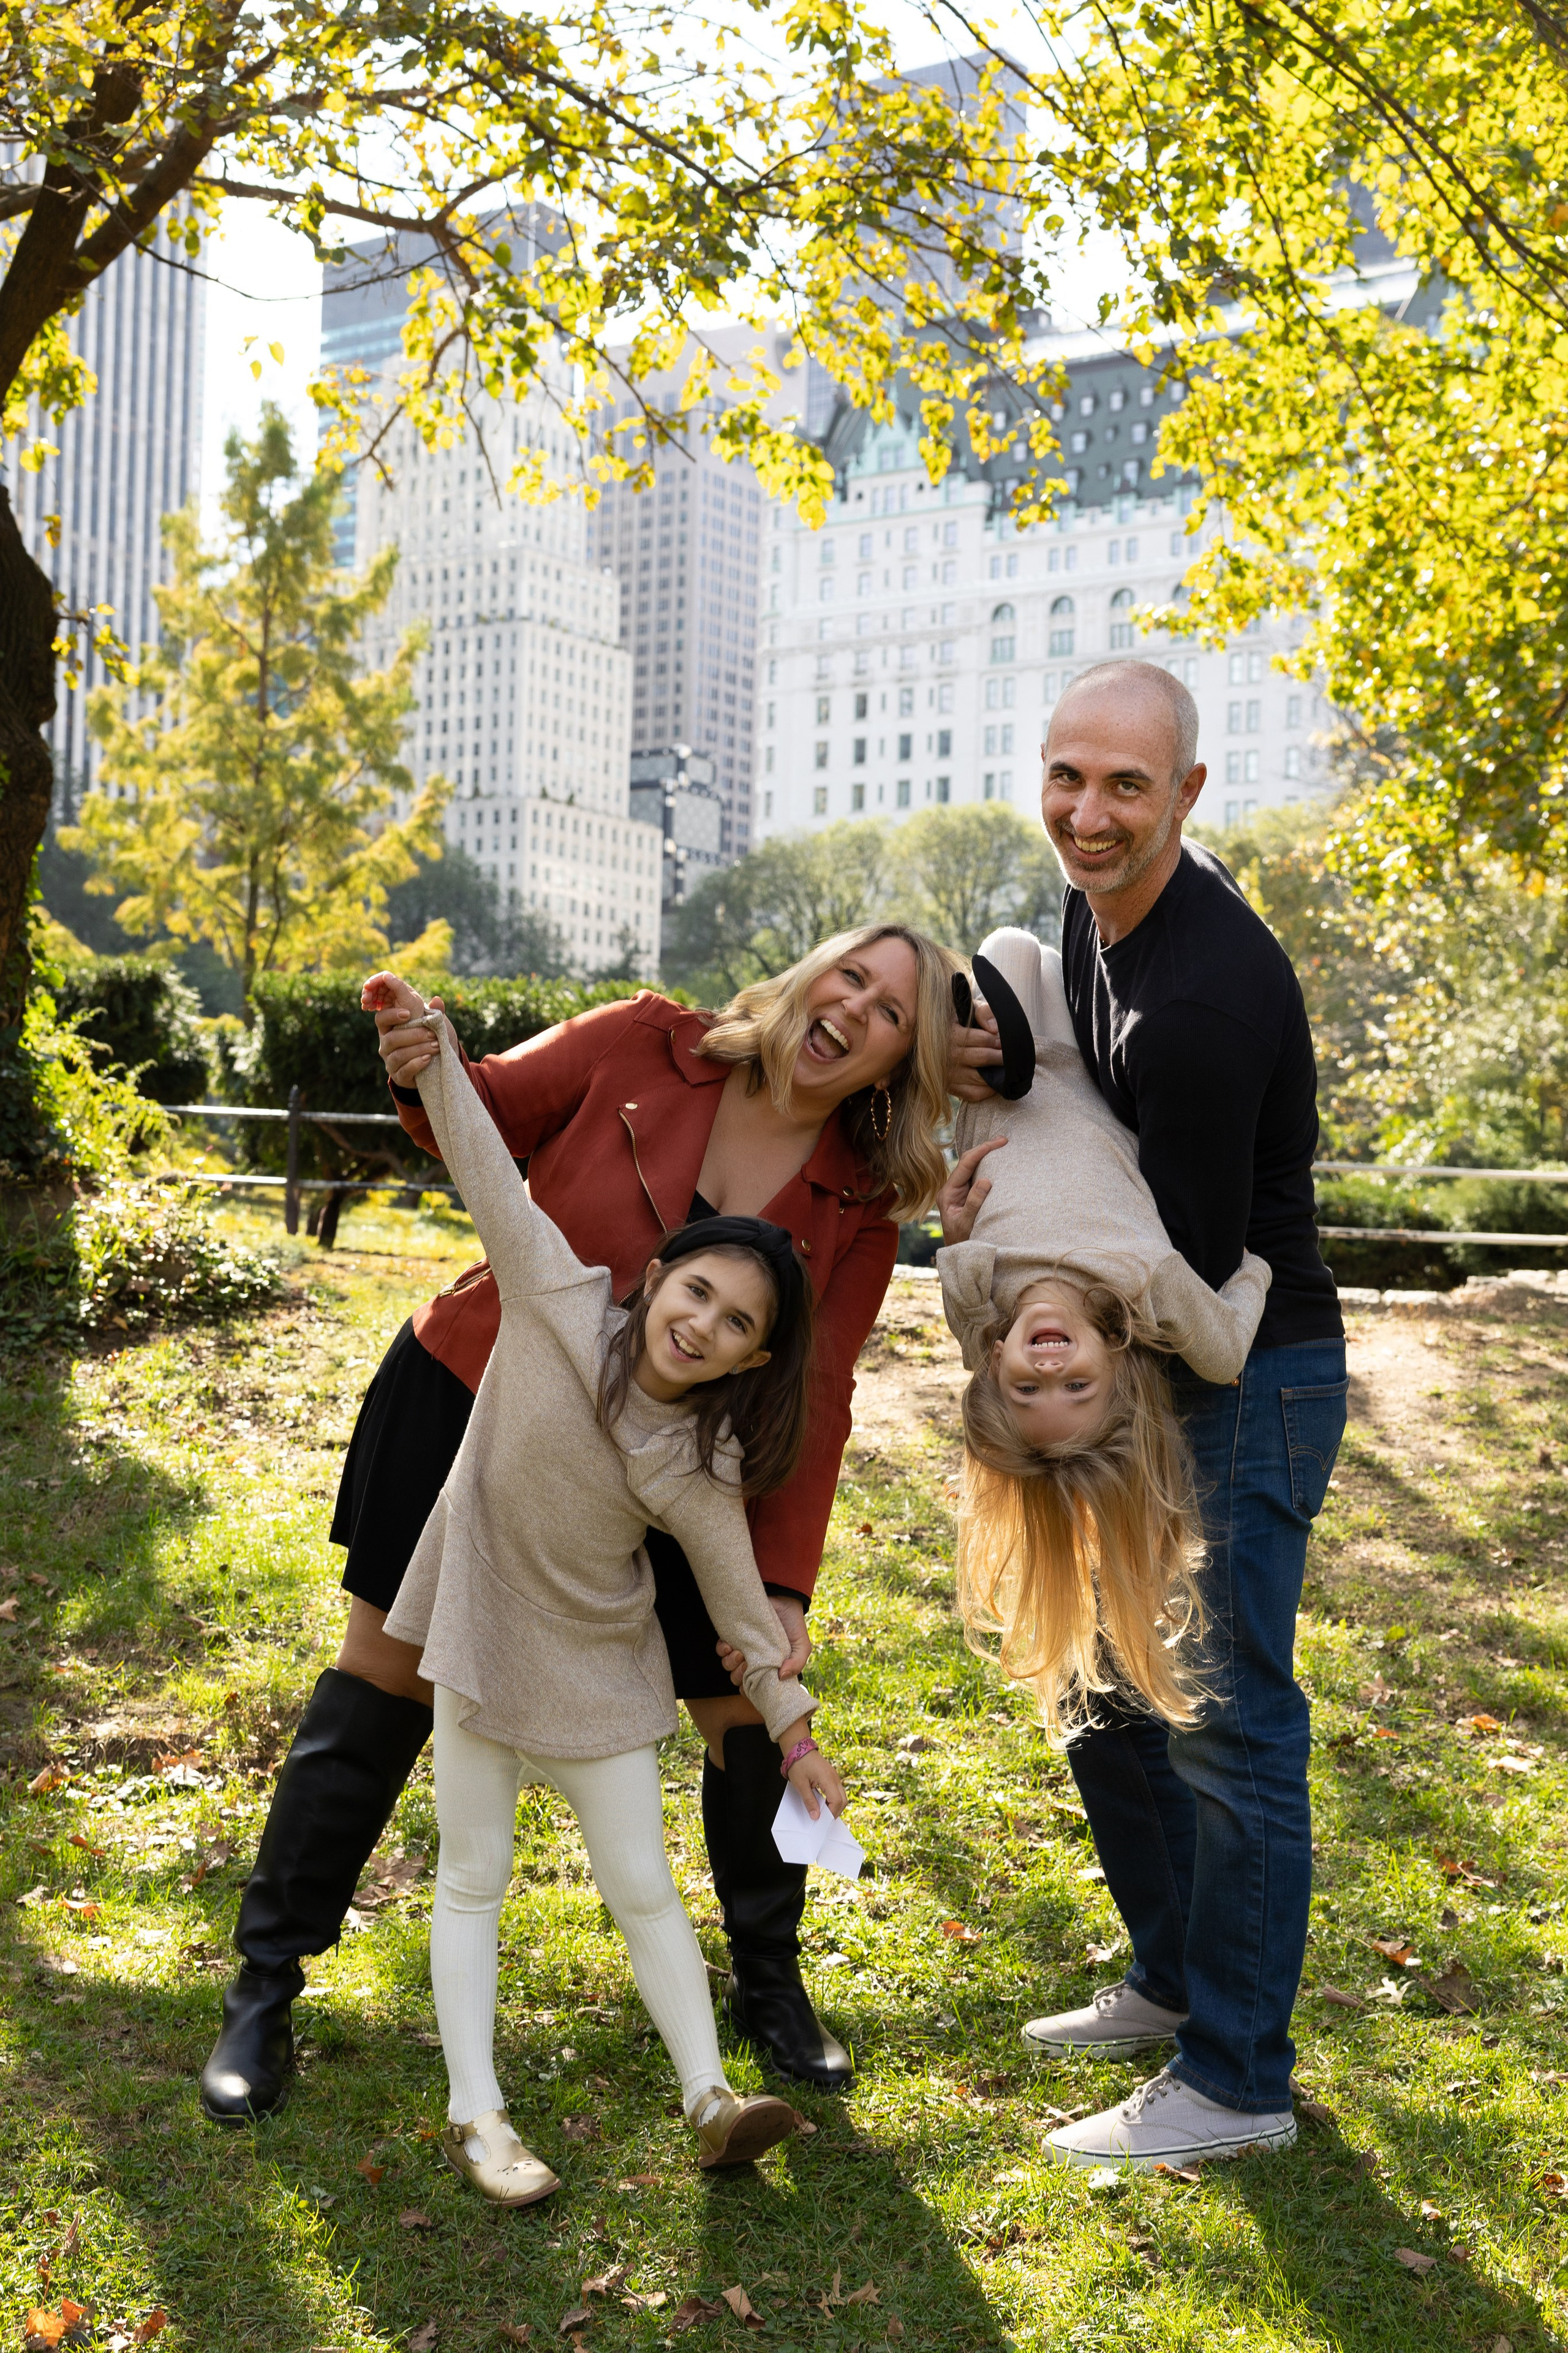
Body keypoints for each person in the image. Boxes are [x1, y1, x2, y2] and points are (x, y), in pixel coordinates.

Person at [201, 924, 959, 2124]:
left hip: (671, 1466)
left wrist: (781, 1583)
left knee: (740, 1707)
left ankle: (770, 1983)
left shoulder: (855, 1201)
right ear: (808, 973)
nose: (855, 1008)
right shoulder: (642, 1041)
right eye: (850, 975)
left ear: (893, 1065)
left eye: (890, 1016)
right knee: (383, 1680)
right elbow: (486, 1107)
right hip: (475, 1397)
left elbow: (818, 1392)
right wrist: (421, 1054)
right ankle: (263, 1989)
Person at [954, 660, 1346, 2174]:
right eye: (1066, 776)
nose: (1087, 812)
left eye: (1126, 786)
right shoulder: (1087, 908)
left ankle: (1234, 2076)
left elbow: (1173, 1264)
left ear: (1187, 794)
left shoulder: (1201, 997)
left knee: (1230, 1723)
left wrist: (1009, 1243)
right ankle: (1173, 1975)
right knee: (1109, 1699)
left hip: (1244, 1368)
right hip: (1149, 1351)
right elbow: (1054, 1072)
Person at [363, 981, 842, 2197]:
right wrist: (434, 1054)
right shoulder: (556, 1297)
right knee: (472, 1874)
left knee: (641, 1884)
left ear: (752, 1355)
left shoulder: (699, 1462)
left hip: (599, 1666)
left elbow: (742, 1616)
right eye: (698, 1292)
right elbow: (482, 1158)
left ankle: (711, 2100)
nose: (704, 1323)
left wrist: (794, 1736)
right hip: (482, 1630)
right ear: (663, 1275)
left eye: (736, 1323)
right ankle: (480, 2116)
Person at [933, 924, 1272, 1741]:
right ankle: (1002, 1021)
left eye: (1027, 1384)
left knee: (1011, 947)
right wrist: (1263, 1263)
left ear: (995, 1363)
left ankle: (977, 1029)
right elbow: (1224, 1344)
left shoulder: (981, 1303)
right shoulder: (1144, 1290)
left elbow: (952, 1247)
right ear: (1116, 1371)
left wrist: (950, 1227)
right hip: (1090, 1067)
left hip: (1003, 1080)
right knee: (1055, 954)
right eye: (1074, 1384)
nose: (1048, 1363)